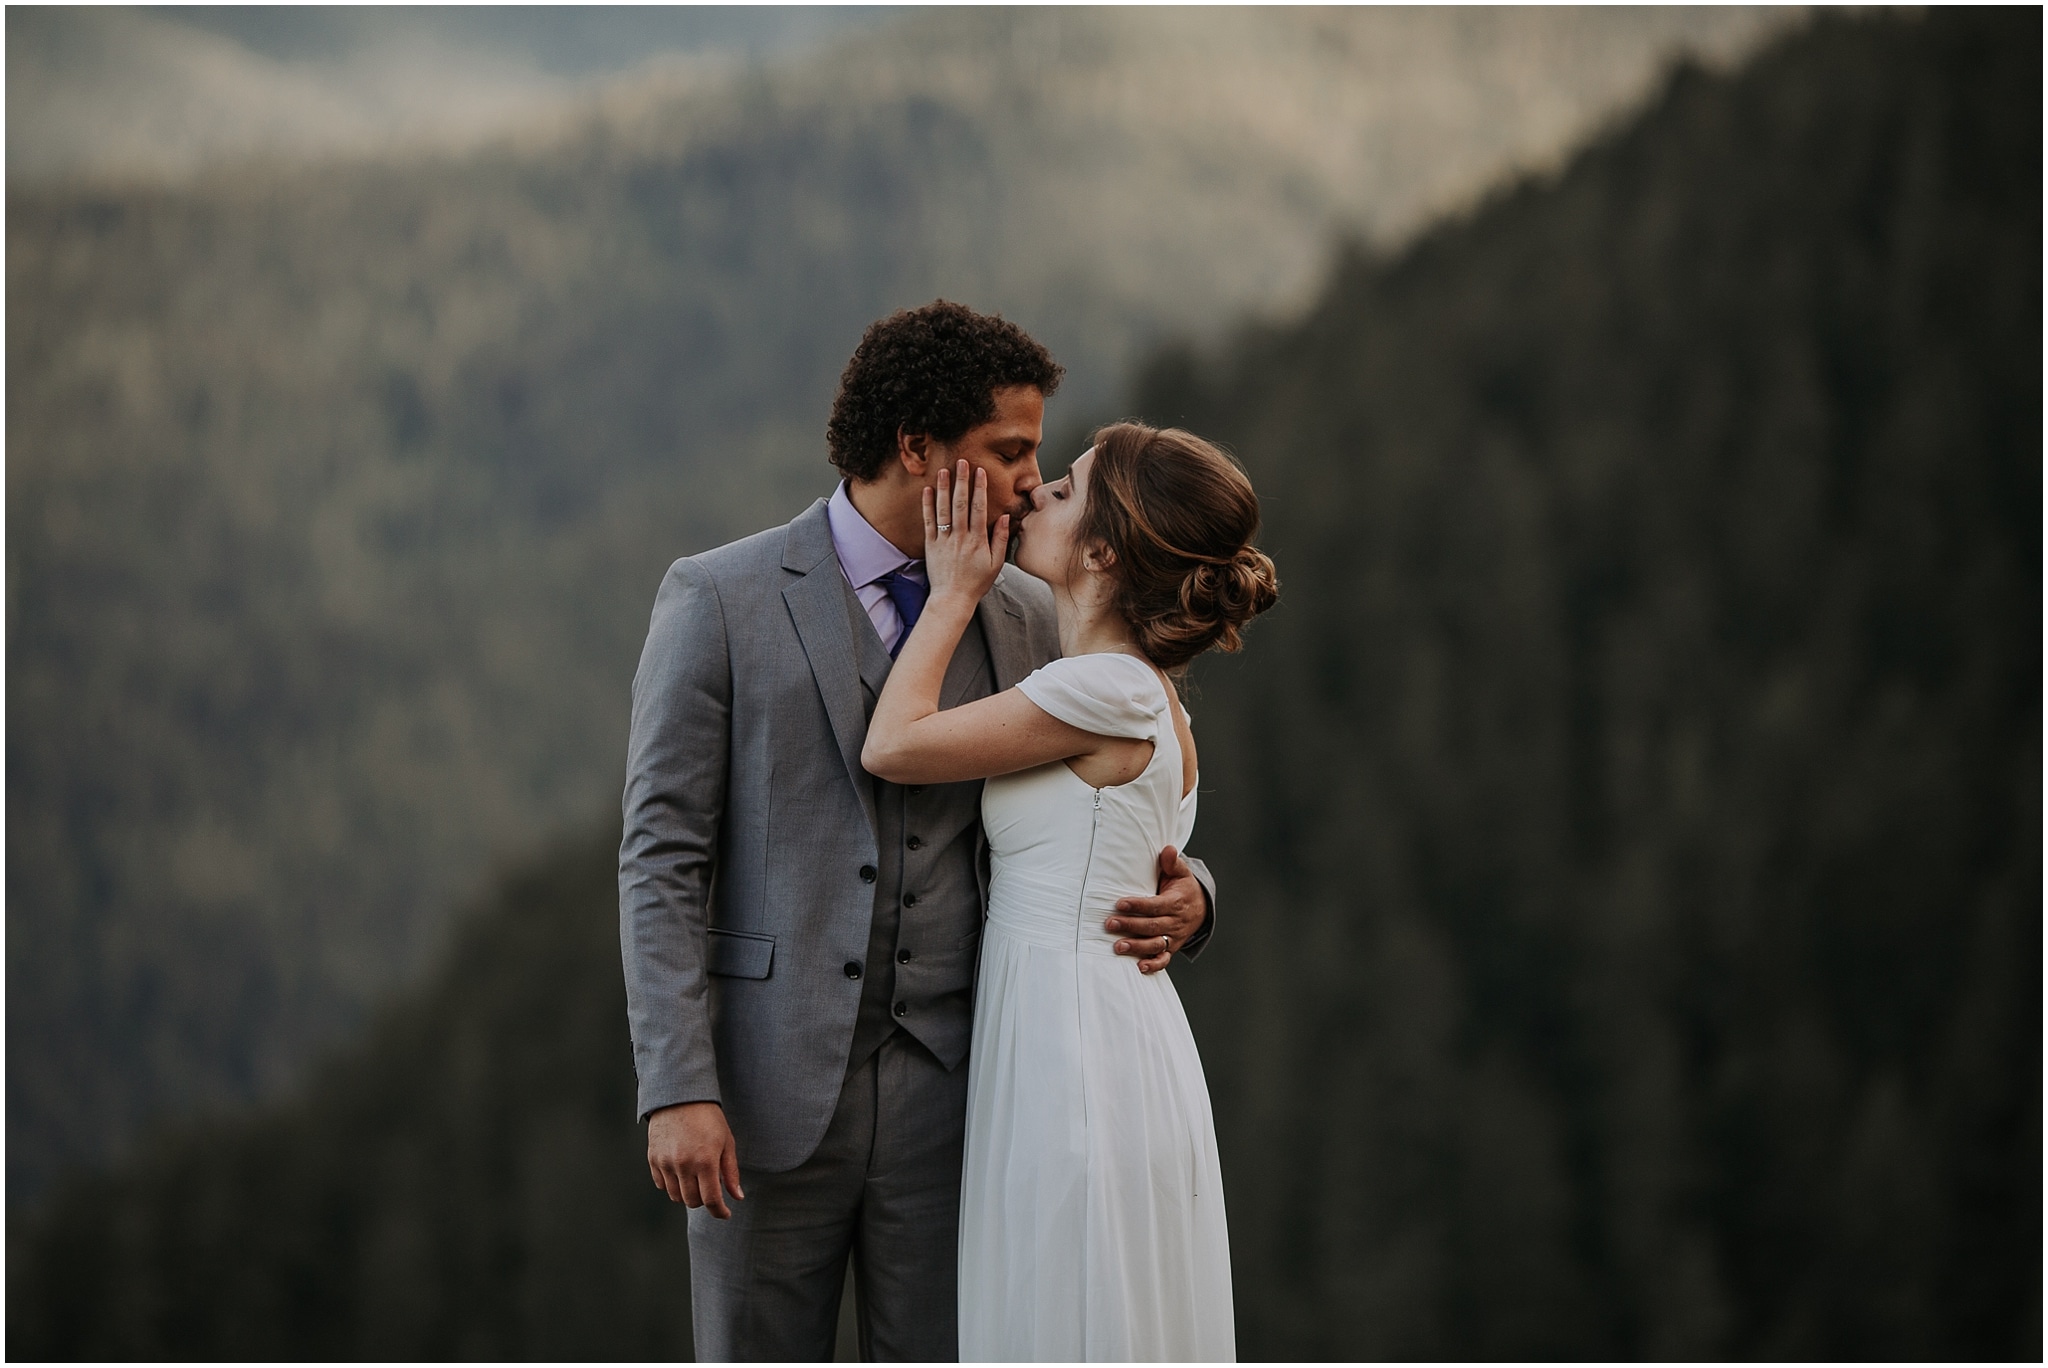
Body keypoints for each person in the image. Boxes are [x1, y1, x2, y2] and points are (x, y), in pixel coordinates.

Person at [618, 301, 1220, 1361]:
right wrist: (678, 1085)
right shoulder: (718, 598)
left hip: (966, 1107)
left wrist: (1192, 890)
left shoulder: (1036, 617)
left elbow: (1117, 780)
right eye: (1009, 453)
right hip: (762, 1103)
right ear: (914, 447)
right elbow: (661, 858)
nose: (1033, 484)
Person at [863, 422, 1278, 1361]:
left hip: (1073, 1055)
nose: (1036, 490)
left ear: (1100, 549)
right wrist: (1198, 896)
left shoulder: (1107, 687)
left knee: (1069, 1312)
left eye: (1065, 488)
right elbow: (1155, 857)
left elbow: (892, 745)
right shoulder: (1146, 691)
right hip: (1094, 1035)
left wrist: (955, 590)